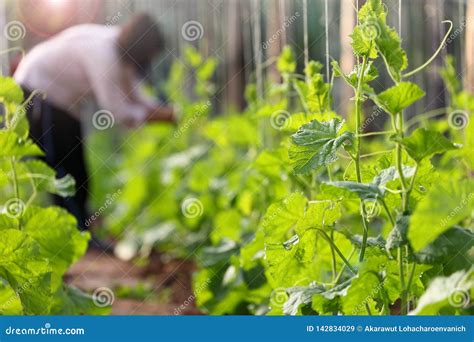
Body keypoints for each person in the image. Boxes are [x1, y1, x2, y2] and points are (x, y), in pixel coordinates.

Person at [14, 13, 175, 231]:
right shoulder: (103, 52)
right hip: (37, 91)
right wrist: (161, 116)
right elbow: (117, 109)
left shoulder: (121, 52)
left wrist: (164, 111)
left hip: (64, 103)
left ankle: (82, 233)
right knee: (60, 170)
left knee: (78, 171)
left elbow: (135, 94)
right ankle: (73, 233)